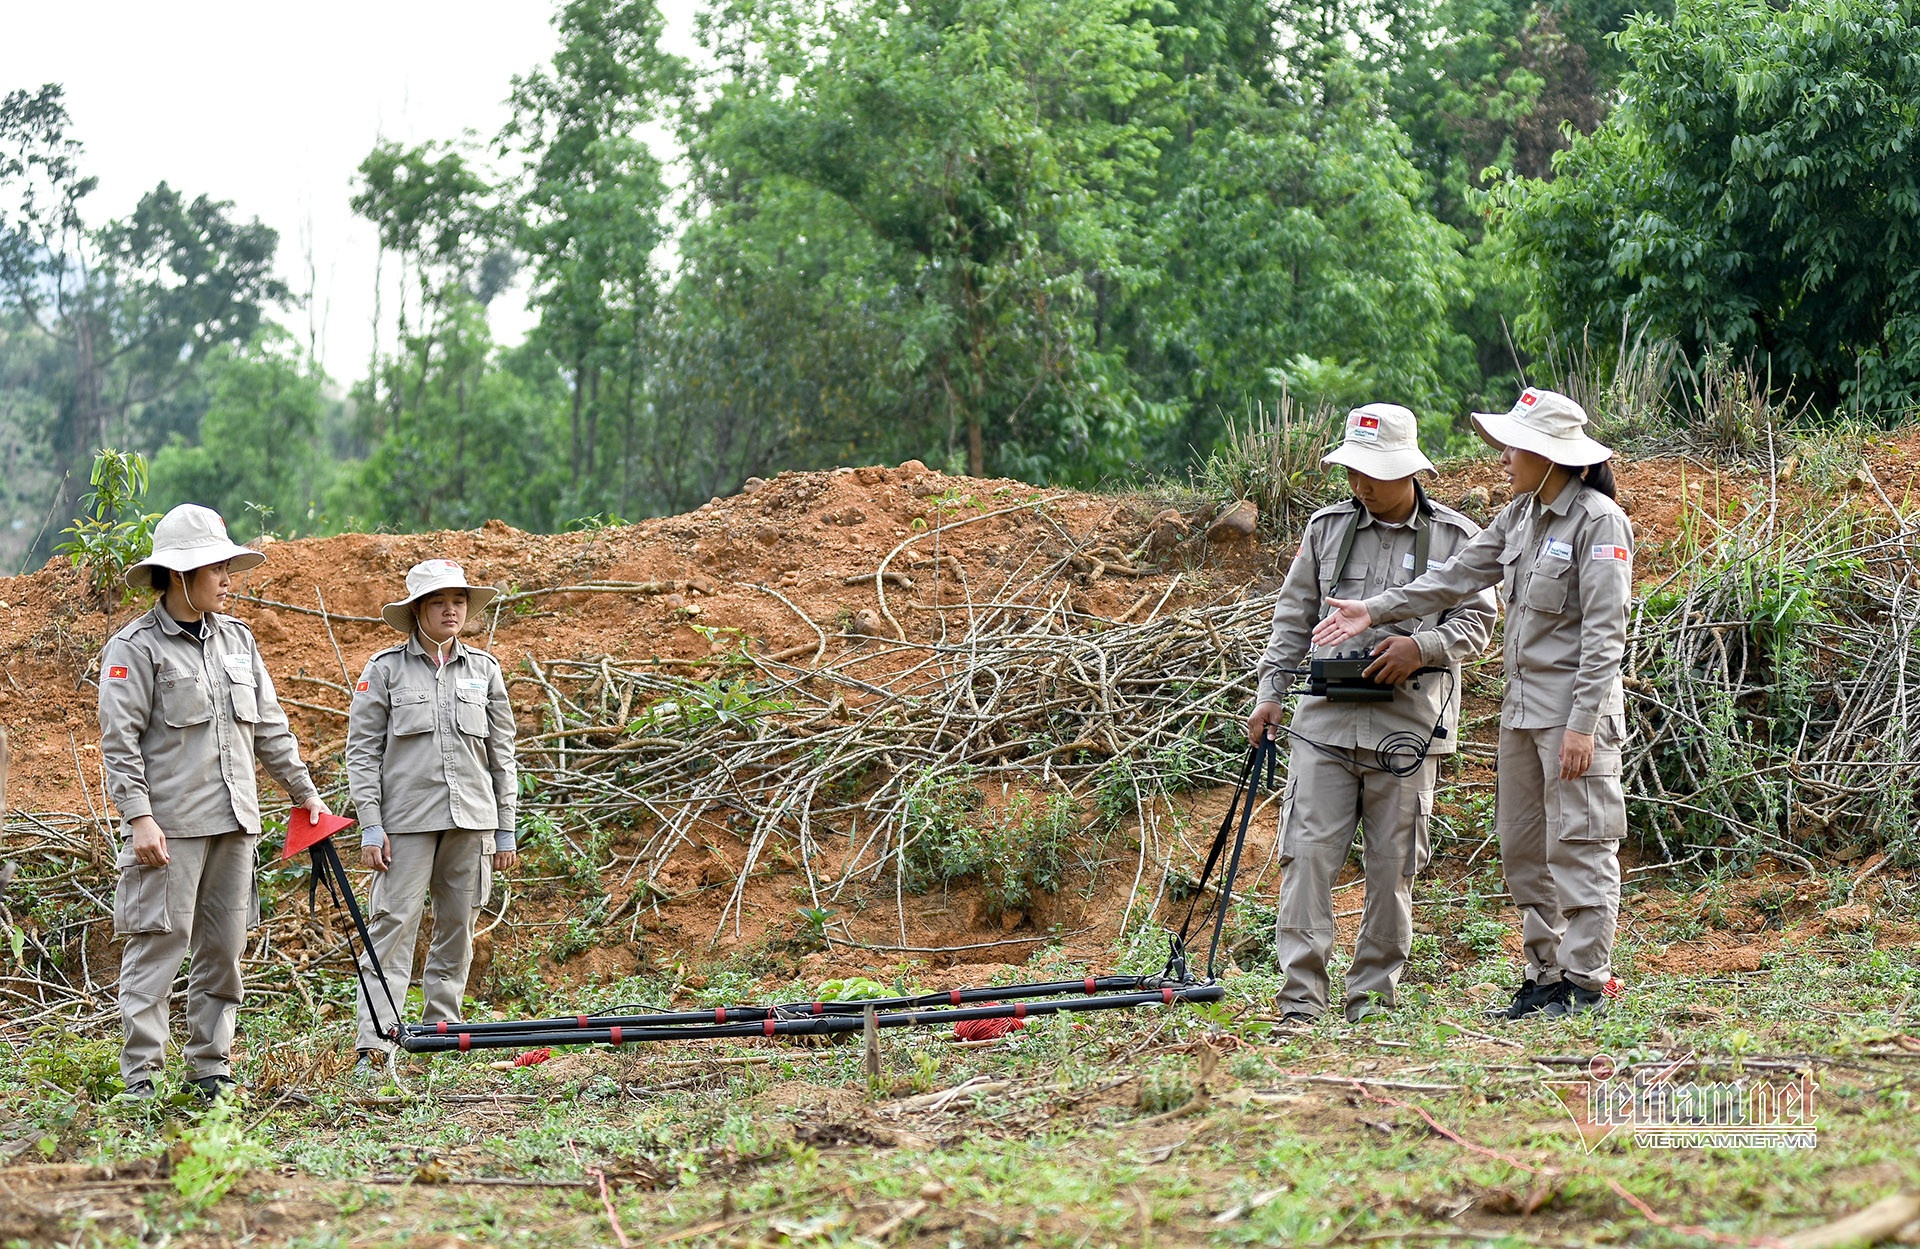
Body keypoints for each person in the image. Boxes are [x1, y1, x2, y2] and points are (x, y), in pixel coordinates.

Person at [1314, 387, 1633, 1018]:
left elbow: (1605, 635)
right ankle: (1545, 975)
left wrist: (1583, 726)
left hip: (1572, 716)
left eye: (1516, 446)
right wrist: (1374, 609)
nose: (1505, 456)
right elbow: (1456, 576)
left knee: (1582, 843)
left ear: (1551, 454)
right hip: (1521, 713)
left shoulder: (1600, 521)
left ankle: (1585, 981)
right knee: (1522, 847)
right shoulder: (1519, 517)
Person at [1249, 404, 1498, 1025]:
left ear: (1408, 471)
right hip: (1323, 725)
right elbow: (1293, 616)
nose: (1358, 484)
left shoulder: (1456, 538)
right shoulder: (1326, 528)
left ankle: (1370, 1000)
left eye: (1371, 472)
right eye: (1352, 471)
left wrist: (1420, 648)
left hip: (1407, 727)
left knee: (1392, 869)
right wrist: (1271, 692)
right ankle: (1301, 1000)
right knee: (1306, 857)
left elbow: (1481, 621)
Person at [99, 504, 328, 1100]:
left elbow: (271, 729)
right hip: (170, 831)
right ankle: (142, 1081)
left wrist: (305, 795)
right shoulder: (135, 648)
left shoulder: (238, 641)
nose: (228, 579)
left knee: (223, 953)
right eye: (216, 569)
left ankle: (211, 1071)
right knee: (158, 952)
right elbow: (118, 742)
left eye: (228, 567)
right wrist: (140, 818)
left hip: (236, 825)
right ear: (179, 577)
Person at [346, 560, 518, 1072]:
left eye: (459, 601)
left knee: (458, 926)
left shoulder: (485, 670)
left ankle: (443, 1034)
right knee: (393, 924)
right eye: (440, 601)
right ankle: (376, 1045)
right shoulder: (383, 670)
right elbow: (362, 753)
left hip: (473, 821)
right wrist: (371, 825)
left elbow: (502, 754)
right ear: (417, 610)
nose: (451, 610)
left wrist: (506, 826)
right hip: (405, 825)